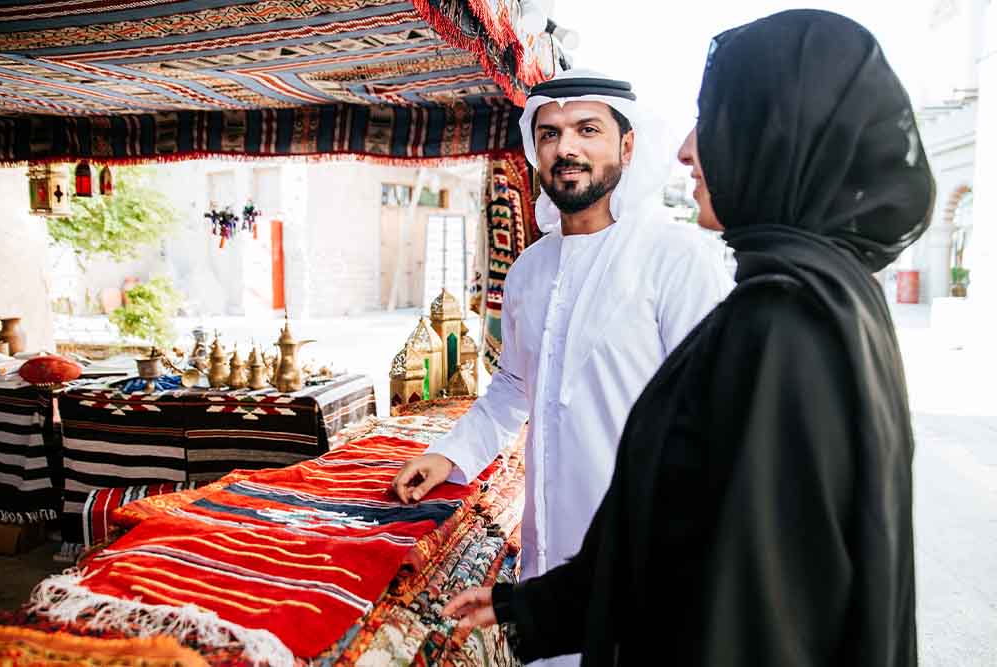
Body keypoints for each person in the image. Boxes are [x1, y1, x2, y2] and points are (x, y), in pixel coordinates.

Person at [444, 10, 934, 667]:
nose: (688, 148)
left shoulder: (783, 328)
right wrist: (540, 606)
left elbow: (752, 600)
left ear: (774, 137)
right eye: (551, 133)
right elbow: (683, 506)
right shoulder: (821, 300)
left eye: (720, 116)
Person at [392, 68, 733, 665]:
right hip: (548, 554)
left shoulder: (676, 258)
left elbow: (710, 425)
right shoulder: (528, 268)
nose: (565, 148)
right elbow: (512, 390)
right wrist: (450, 454)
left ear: (628, 146)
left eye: (587, 130)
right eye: (548, 134)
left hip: (646, 561)